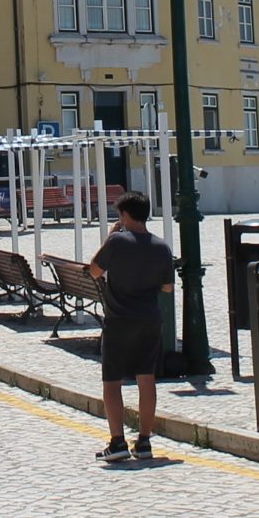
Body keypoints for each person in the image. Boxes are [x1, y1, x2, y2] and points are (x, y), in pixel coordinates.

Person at [88, 191, 175, 461]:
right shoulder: (162, 247)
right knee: (146, 380)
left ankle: (117, 443)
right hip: (149, 318)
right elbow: (168, 288)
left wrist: (110, 238)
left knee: (112, 382)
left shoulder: (117, 242)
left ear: (125, 215)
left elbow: (94, 271)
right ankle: (145, 441)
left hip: (119, 319)